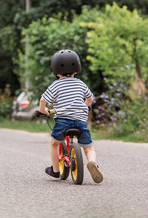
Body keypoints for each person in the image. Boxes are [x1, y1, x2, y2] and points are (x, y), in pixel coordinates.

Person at [39, 50, 103, 183]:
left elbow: (43, 100)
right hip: (80, 122)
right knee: (88, 147)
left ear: (56, 72)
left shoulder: (56, 85)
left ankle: (56, 171)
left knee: (54, 143)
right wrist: (86, 106)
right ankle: (92, 163)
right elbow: (90, 99)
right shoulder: (80, 84)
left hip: (62, 121)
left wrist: (43, 110)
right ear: (76, 70)